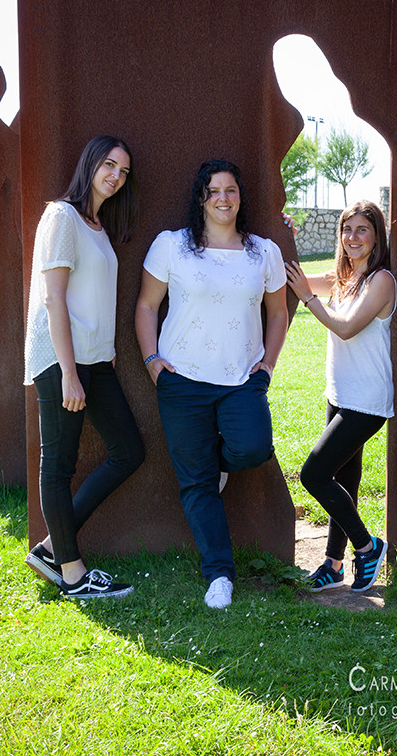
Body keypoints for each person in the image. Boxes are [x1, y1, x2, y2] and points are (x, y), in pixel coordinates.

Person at [135, 159, 288, 609]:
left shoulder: (264, 252)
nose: (224, 198)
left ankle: (216, 464)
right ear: (201, 197)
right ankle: (219, 574)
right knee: (197, 484)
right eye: (214, 190)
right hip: (181, 380)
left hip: (242, 380)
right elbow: (147, 305)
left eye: (232, 190)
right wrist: (151, 361)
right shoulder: (172, 246)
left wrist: (269, 365)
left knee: (253, 448)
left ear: (241, 197)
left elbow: (278, 313)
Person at [24, 135, 145, 599]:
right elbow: (53, 298)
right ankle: (72, 574)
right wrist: (70, 372)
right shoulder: (62, 216)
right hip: (62, 360)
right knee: (58, 464)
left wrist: (104, 347)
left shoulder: (96, 225)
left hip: (97, 359)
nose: (116, 175)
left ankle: (55, 545)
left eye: (124, 171)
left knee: (129, 451)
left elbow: (92, 297)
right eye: (110, 165)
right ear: (90, 162)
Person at [285, 201, 395, 593]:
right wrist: (286, 236)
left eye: (362, 229)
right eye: (346, 230)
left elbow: (345, 328)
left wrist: (308, 301)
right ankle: (332, 565)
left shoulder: (381, 280)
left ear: (377, 236)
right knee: (341, 480)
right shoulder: (341, 278)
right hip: (339, 393)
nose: (352, 237)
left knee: (314, 473)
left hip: (366, 399)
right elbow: (294, 278)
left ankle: (368, 547)